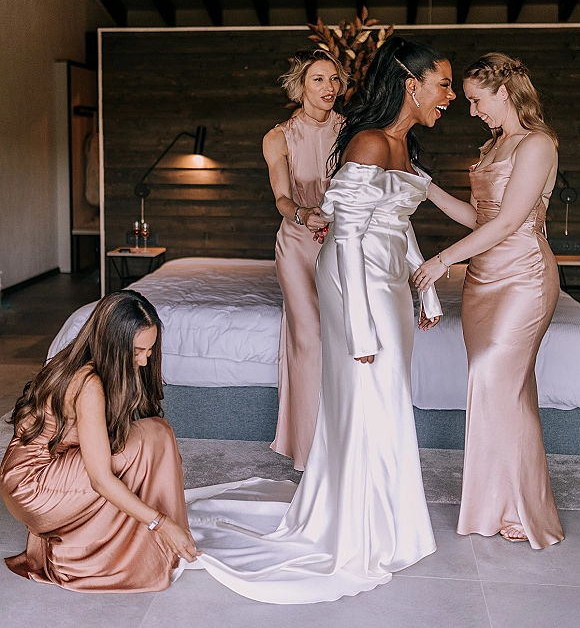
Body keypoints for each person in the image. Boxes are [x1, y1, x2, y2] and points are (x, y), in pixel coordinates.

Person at [177, 36, 452, 604]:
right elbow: (346, 237)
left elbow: (399, 223)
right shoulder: (368, 143)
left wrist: (425, 287)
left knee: (389, 395)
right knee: (364, 386)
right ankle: (353, 523)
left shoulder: (402, 144)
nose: (448, 94)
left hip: (389, 281)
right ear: (411, 83)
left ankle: (390, 518)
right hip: (353, 280)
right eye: (443, 83)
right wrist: (356, 327)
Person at [413, 52, 564, 549]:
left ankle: (523, 507)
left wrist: (440, 262)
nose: (472, 109)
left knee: (496, 379)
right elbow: (479, 217)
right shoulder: (493, 144)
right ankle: (498, 504)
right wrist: (427, 187)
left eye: (477, 100)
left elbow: (507, 224)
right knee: (499, 390)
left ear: (505, 92)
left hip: (523, 278)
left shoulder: (537, 144)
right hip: (484, 280)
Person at [0, 290, 201, 592]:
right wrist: (162, 523)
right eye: (136, 351)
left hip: (36, 472)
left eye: (150, 349)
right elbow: (100, 480)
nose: (145, 361)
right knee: (150, 440)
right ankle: (91, 555)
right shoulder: (88, 383)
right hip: (33, 486)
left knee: (154, 433)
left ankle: (134, 536)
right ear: (113, 345)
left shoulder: (88, 363)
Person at [263, 47, 347, 470]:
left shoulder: (353, 131)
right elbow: (281, 195)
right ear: (300, 85)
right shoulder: (278, 136)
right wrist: (302, 214)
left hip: (342, 241)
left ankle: (344, 440)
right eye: (319, 79)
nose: (329, 87)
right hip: (297, 243)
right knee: (309, 339)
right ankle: (310, 450)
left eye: (334, 79)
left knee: (343, 338)